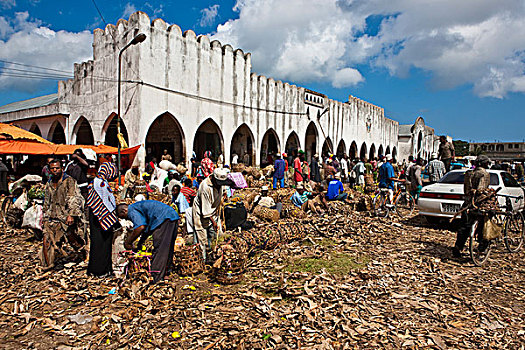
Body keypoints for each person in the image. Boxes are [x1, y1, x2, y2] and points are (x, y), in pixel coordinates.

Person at [38, 159, 85, 270]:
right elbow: (47, 200)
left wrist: (71, 215)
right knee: (46, 240)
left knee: (72, 238)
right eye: (52, 168)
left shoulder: (69, 181)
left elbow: (73, 198)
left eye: (57, 168)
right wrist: (44, 215)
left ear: (62, 169)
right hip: (52, 216)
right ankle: (47, 265)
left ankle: (83, 253)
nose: (55, 170)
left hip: (65, 216)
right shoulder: (49, 182)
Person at [116, 201, 179, 283]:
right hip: (172, 216)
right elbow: (146, 230)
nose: (126, 219)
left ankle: (156, 277)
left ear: (124, 211)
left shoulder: (131, 210)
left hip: (164, 218)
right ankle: (167, 271)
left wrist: (128, 242)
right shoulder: (137, 207)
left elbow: (140, 227)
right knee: (167, 246)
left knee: (160, 249)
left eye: (124, 217)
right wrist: (140, 243)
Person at [452, 155, 491, 258]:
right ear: (484, 163)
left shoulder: (469, 173)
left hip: (467, 203)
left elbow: (466, 189)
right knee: (484, 224)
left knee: (464, 226)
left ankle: (458, 246)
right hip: (479, 203)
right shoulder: (484, 174)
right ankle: (482, 247)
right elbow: (480, 189)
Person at [86, 162, 119, 277]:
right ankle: (101, 270)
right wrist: (113, 219)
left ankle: (96, 269)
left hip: (96, 217)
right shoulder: (100, 184)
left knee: (97, 244)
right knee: (102, 245)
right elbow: (106, 203)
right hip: (100, 218)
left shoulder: (97, 181)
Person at [192, 168, 230, 260]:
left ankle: (214, 257)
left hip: (214, 213)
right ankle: (203, 262)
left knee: (216, 238)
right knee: (203, 241)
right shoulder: (205, 187)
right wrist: (214, 223)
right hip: (202, 215)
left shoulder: (219, 184)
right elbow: (206, 211)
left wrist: (224, 195)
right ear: (213, 178)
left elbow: (224, 192)